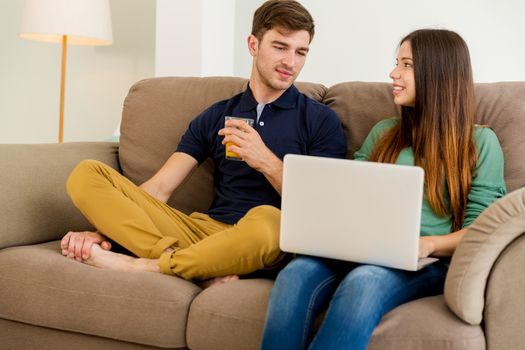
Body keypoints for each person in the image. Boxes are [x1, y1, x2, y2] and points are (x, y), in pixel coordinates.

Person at [60, 0, 347, 287]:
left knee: (270, 221)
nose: (291, 62)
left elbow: (320, 207)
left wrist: (266, 161)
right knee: (86, 173)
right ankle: (194, 266)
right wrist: (107, 231)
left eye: (301, 52)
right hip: (201, 231)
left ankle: (145, 266)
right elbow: (159, 189)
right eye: (280, 47)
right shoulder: (216, 115)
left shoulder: (320, 120)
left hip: (260, 238)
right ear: (253, 44)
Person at [261, 29, 507, 350]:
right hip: (358, 248)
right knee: (294, 276)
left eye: (406, 65)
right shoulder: (384, 133)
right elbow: (352, 196)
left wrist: (427, 245)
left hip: (427, 262)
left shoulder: (480, 143)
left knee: (365, 282)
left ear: (438, 73)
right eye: (397, 63)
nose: (393, 73)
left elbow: (481, 230)